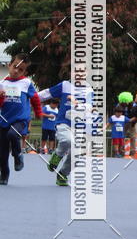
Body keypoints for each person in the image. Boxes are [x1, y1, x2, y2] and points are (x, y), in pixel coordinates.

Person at [39, 77, 92, 187]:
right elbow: (46, 93)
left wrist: (76, 103)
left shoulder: (89, 90)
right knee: (67, 140)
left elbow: (89, 107)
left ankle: (63, 174)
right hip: (63, 123)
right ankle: (57, 156)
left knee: (78, 154)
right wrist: (31, 97)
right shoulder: (64, 85)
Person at [0, 53, 42, 184]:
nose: (16, 71)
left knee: (13, 135)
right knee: (2, 153)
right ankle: (4, 175)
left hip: (20, 120)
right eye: (15, 67)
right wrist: (1, 96)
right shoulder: (2, 83)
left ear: (25, 71)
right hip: (3, 121)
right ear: (9, 65)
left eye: (21, 69)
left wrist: (38, 113)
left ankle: (18, 155)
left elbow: (35, 99)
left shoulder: (26, 83)